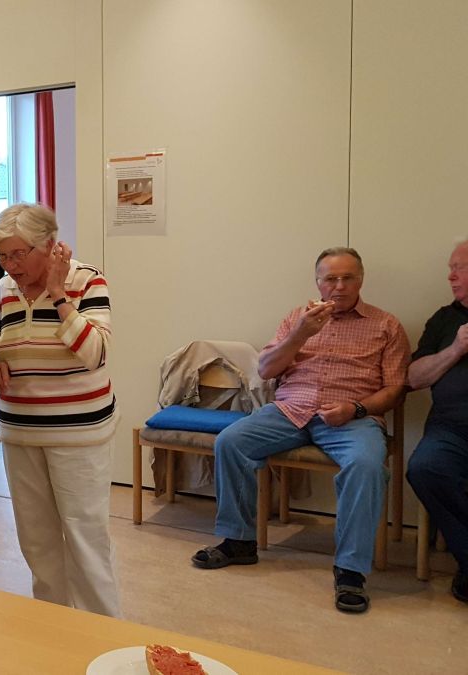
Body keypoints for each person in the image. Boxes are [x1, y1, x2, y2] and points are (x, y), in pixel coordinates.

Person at [192, 247, 409, 614]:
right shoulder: (298, 317)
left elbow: (395, 389)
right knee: (231, 441)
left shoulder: (386, 325)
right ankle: (239, 541)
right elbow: (266, 370)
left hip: (351, 417)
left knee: (366, 466)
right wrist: (300, 334)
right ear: (318, 282)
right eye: (331, 279)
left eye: (348, 278)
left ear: (361, 280)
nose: (339, 286)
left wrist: (355, 408)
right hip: (290, 410)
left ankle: (351, 571)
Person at [0, 203, 121, 616]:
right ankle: (53, 627)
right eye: (2, 256)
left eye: (18, 254)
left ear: (50, 245)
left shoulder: (87, 281)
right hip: (21, 432)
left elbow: (95, 353)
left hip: (78, 434)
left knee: (85, 540)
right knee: (36, 540)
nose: (10, 266)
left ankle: (102, 632)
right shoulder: (3, 291)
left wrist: (59, 295)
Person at [406, 239, 468, 605]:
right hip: (451, 429)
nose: (450, 276)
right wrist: (456, 349)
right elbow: (413, 378)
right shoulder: (444, 319)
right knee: (425, 468)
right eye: (450, 268)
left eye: (459, 268)